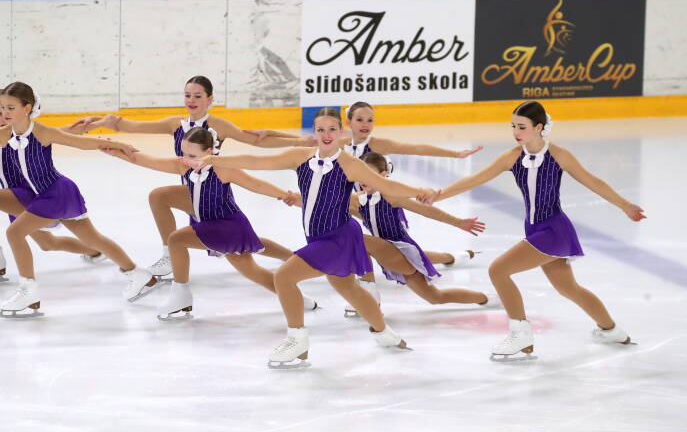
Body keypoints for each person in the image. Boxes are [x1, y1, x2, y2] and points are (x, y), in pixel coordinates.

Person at [184, 107, 438, 369]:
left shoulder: (349, 164)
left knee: (284, 276)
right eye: (320, 129)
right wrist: (215, 161)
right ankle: (384, 332)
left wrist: (419, 191)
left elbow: (386, 186)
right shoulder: (300, 157)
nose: (326, 135)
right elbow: (257, 162)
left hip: (337, 237)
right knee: (349, 288)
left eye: (331, 129)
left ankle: (298, 341)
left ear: (340, 132)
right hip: (319, 237)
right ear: (314, 132)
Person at [0, 82, 157, 317]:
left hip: (57, 192)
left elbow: (79, 142)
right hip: (35, 196)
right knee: (83, 239)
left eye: (11, 108)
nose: (5, 113)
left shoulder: (41, 131)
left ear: (27, 108)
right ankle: (139, 274)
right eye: (3, 108)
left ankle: (29, 292)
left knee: (23, 233)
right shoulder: (3, 135)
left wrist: (120, 144)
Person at [433, 100, 646, 360]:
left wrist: (625, 205)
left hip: (553, 229)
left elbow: (593, 181)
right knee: (569, 289)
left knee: (498, 270)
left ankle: (521, 334)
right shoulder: (512, 156)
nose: (515, 131)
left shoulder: (558, 155)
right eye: (513, 126)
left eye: (521, 126)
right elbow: (475, 179)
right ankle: (611, 330)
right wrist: (438, 195)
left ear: (539, 127)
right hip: (536, 228)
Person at [70, 75, 311, 277]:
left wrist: (302, 141)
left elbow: (257, 141)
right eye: (187, 95)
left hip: (214, 190)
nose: (191, 100)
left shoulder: (219, 125)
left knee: (239, 243)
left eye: (198, 96)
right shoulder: (175, 124)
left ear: (210, 99)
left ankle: (291, 258)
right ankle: (170, 256)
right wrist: (95, 123)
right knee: (236, 240)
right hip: (191, 187)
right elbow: (127, 126)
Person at [100, 126, 317, 319]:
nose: (185, 159)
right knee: (252, 271)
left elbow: (257, 185)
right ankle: (298, 298)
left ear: (209, 152)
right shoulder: (183, 165)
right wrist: (117, 152)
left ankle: (181, 295)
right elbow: (145, 160)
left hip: (228, 225)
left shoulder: (223, 168)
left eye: (192, 155)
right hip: (210, 224)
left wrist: (287, 195)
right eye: (183, 153)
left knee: (176, 240)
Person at [350, 151, 496, 311]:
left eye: (369, 174)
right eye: (361, 174)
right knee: (436, 298)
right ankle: (480, 293)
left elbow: (426, 211)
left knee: (358, 239)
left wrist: (458, 222)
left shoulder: (391, 196)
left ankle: (368, 296)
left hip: (401, 250)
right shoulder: (357, 199)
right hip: (386, 253)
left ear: (383, 175)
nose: (364, 179)